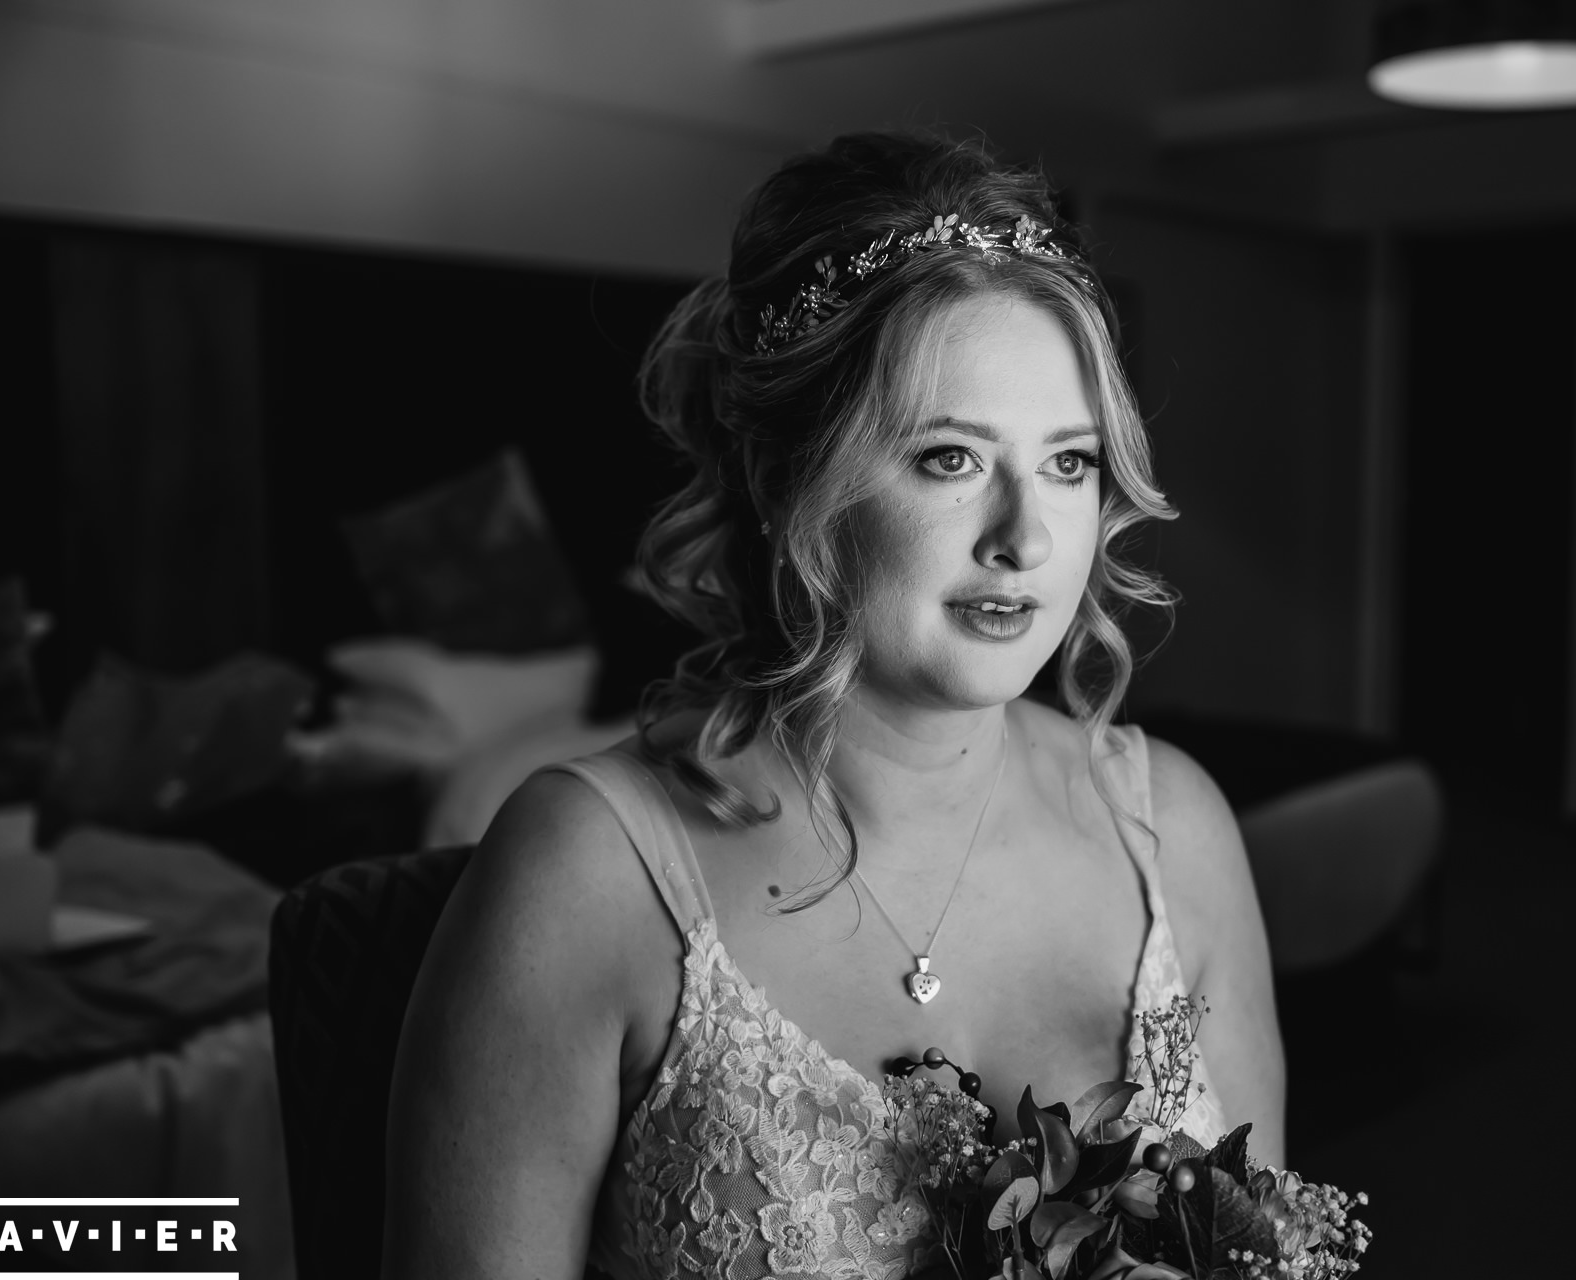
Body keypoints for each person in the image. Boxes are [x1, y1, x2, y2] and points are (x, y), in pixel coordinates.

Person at [381, 131, 1284, 1280]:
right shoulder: (582, 873)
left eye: (1068, 461)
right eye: (950, 457)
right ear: (780, 475)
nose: (1026, 538)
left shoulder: (1177, 827)